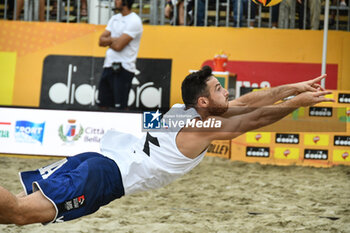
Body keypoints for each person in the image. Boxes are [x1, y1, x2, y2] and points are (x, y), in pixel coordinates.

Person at [0, 66, 334, 225]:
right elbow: (254, 119)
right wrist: (298, 102)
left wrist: (291, 87)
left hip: (96, 158)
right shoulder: (202, 128)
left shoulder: (181, 111)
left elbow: (248, 102)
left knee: (15, 210)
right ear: (204, 101)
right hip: (104, 177)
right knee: (19, 213)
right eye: (220, 89)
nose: (227, 93)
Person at [97, 0, 143, 110]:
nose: (114, 2)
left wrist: (108, 41)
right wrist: (114, 39)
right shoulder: (114, 18)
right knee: (102, 104)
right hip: (108, 65)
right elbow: (100, 41)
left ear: (125, 2)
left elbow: (118, 46)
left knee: (121, 106)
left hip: (124, 68)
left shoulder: (134, 21)